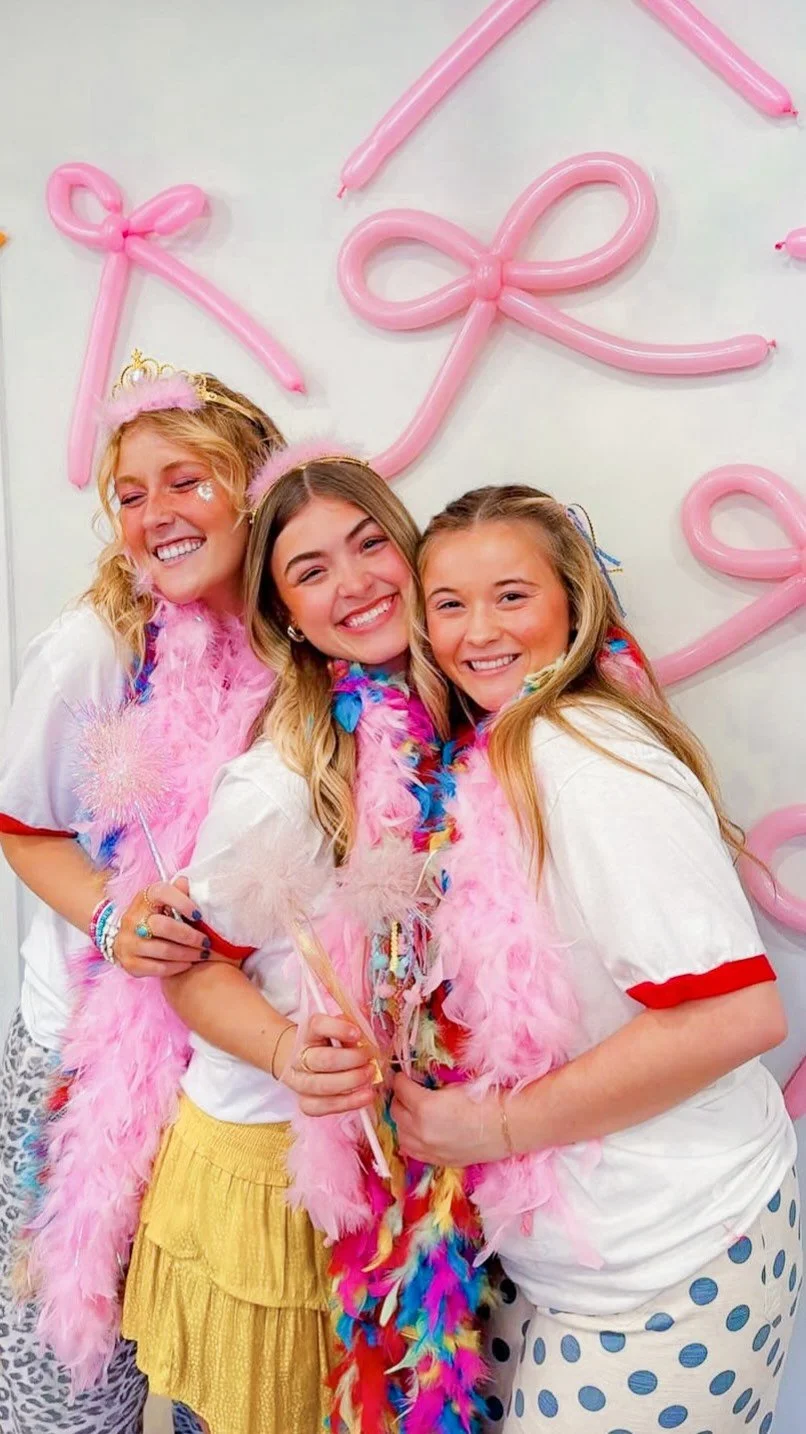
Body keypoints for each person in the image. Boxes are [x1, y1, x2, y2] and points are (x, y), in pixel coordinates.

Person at [388, 483, 799, 1434]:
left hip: (673, 1260)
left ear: (574, 604)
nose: (478, 631)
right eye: (449, 604)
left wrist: (491, 1128)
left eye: (512, 595)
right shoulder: (498, 753)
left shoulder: (586, 762)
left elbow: (737, 1015)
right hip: (563, 1254)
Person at [0, 351, 284, 1434]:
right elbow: (23, 825)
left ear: (255, 490)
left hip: (225, 1067)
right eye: (129, 494)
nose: (155, 513)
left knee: (216, 1363)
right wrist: (113, 917)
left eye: (187, 481)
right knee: (71, 1370)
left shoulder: (300, 640)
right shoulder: (96, 646)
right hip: (82, 1062)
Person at [120, 445, 430, 1434]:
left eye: (370, 544)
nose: (355, 583)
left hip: (406, 1170)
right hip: (273, 1172)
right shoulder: (280, 783)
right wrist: (290, 1051)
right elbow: (190, 966)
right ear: (287, 615)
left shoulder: (459, 734)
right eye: (310, 570)